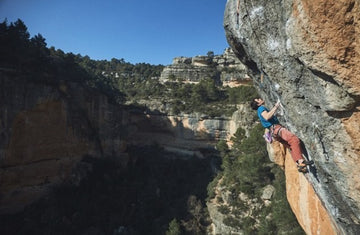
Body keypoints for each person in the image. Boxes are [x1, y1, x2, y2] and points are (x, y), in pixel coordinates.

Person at [250, 98, 312, 173]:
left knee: (291, 146)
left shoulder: (259, 110)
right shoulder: (261, 108)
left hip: (274, 132)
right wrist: (276, 106)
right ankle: (301, 161)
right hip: (276, 129)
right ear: (258, 104)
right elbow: (267, 117)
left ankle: (299, 163)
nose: (260, 99)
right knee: (294, 140)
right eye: (258, 100)